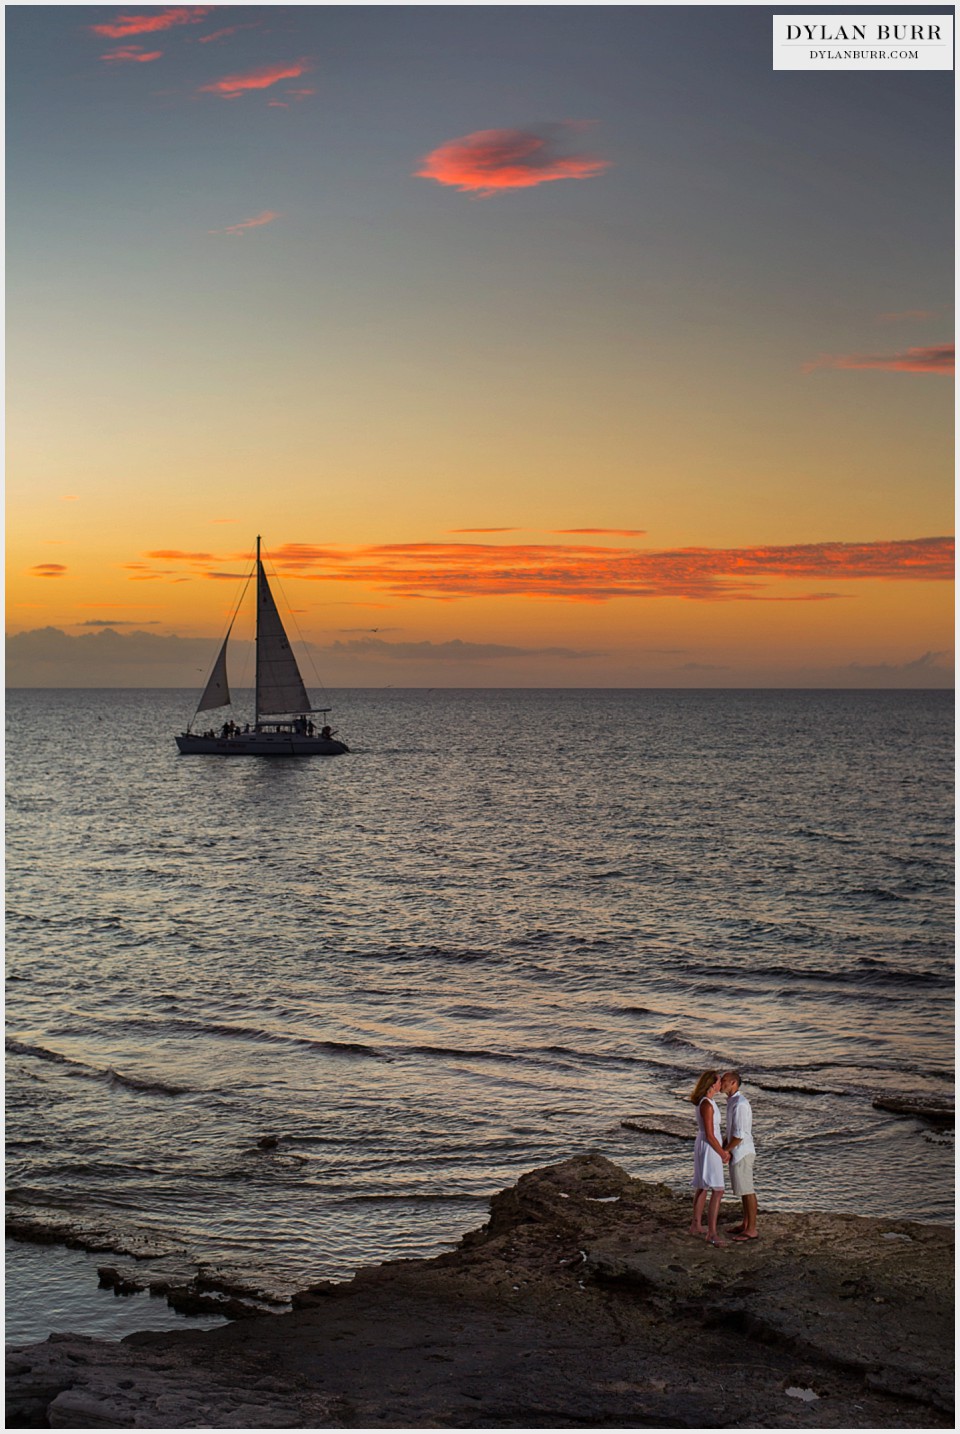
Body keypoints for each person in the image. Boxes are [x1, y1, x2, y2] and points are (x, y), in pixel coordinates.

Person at [688, 1070, 731, 1246]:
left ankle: (696, 1225)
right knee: (717, 1189)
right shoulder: (706, 1104)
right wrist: (722, 1152)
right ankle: (712, 1233)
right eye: (719, 1081)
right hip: (709, 1147)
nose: (721, 1084)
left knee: (703, 1186)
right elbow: (710, 1134)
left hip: (706, 1145)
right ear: (712, 1084)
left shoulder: (709, 1102)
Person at [721, 1070, 758, 1240]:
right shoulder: (732, 1101)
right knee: (743, 1190)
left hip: (743, 1151)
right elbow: (731, 1130)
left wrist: (726, 1150)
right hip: (738, 1151)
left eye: (724, 1080)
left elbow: (740, 1134)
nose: (721, 1083)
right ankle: (745, 1223)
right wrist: (724, 1144)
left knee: (748, 1190)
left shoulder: (740, 1104)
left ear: (734, 1083)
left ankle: (751, 1229)